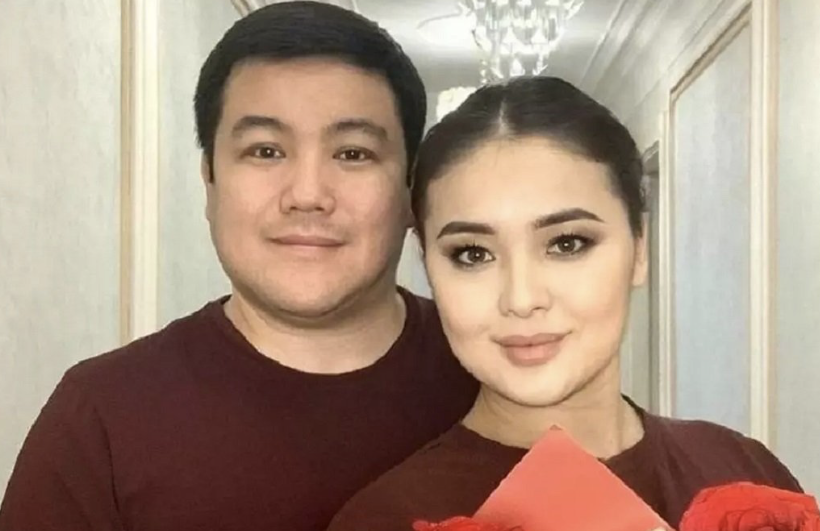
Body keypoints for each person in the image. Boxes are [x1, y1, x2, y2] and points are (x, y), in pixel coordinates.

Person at [0, 3, 477, 530]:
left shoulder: (497, 375)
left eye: (353, 154)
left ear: (411, 189)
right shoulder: (99, 418)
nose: (308, 195)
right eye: (266, 151)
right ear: (209, 180)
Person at [328, 76, 802, 531]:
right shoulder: (387, 519)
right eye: (472, 254)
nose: (522, 299)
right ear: (428, 264)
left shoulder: (744, 469)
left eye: (567, 244)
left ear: (639, 248)